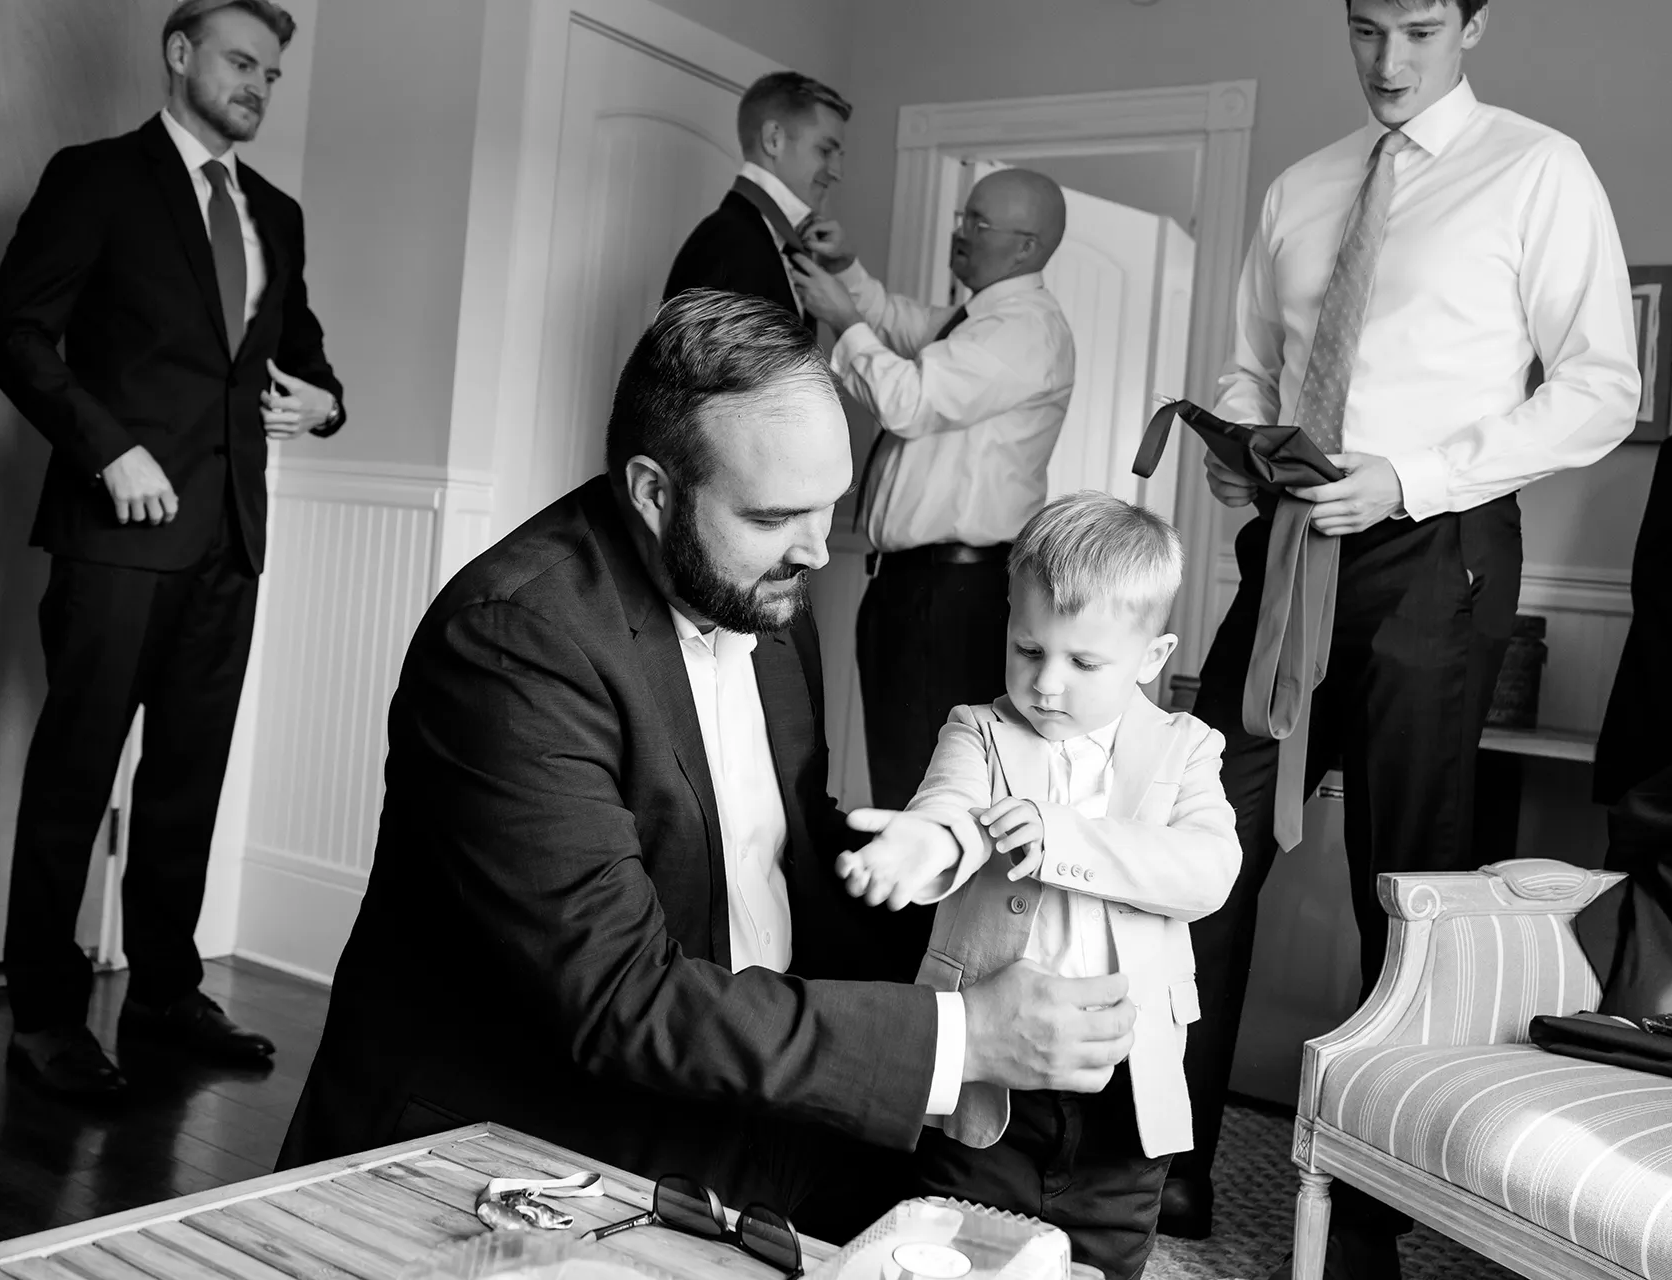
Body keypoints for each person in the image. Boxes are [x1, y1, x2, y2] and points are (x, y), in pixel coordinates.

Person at [279, 292, 1139, 1241]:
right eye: (776, 516)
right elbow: (619, 997)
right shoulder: (515, 642)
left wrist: (999, 924)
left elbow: (780, 852)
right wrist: (963, 1036)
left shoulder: (761, 593)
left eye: (830, 507)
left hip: (747, 1096)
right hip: (533, 1136)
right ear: (654, 492)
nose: (818, 550)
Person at [1163, 2, 1642, 1276]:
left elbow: (1602, 387)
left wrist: (1411, 477)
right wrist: (1240, 446)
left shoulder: (1537, 169)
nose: (1389, 60)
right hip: (1289, 550)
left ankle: (1369, 1211)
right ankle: (1170, 1159)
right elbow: (1254, 367)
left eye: (1421, 27)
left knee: (1406, 877)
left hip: (1438, 549)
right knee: (1198, 835)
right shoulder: (1301, 186)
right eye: (1366, 27)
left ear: (1476, 23)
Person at [0, 0, 345, 1101]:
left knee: (189, 778)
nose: (258, 85)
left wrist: (325, 405)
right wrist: (106, 449)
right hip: (115, 533)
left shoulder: (276, 212)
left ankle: (165, 993)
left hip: (231, 536)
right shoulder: (96, 178)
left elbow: (305, 356)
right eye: (242, 61)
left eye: (271, 73)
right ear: (180, 55)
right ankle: (45, 1015)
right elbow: (10, 332)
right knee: (76, 774)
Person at [838, 492, 1242, 1280]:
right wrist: (922, 845)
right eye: (1028, 649)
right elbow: (952, 810)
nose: (1047, 684)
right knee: (949, 1252)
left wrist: (1061, 835)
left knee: (1101, 1262)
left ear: (1151, 657)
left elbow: (1207, 869)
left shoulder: (1187, 748)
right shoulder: (978, 730)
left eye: (1083, 663)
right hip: (990, 1081)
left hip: (1123, 1092)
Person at [792, 168, 1075, 833]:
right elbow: (904, 326)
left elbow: (910, 400)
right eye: (962, 217)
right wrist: (848, 272)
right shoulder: (979, 318)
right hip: (923, 589)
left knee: (922, 784)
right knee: (905, 767)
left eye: (979, 223)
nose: (960, 233)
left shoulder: (1024, 330)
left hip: (951, 595)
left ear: (1027, 246)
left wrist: (842, 318)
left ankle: (916, 900)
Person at [664, 72, 850, 323]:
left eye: (839, 156)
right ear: (773, 140)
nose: (837, 173)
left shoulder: (773, 242)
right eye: (826, 151)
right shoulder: (727, 246)